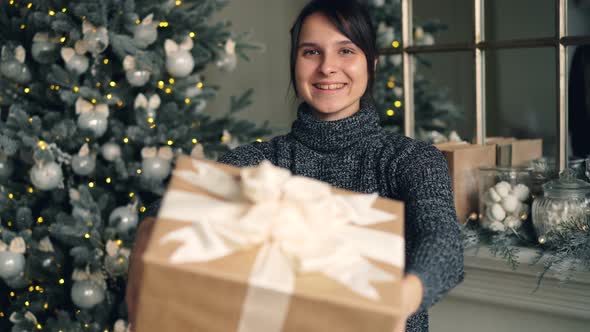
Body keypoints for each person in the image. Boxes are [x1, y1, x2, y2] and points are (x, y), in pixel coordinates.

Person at [127, 1, 464, 331]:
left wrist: (401, 299)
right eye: (311, 52)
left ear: (371, 63)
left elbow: (443, 240)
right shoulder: (259, 164)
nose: (327, 67)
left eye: (346, 51)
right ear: (294, 65)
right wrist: (154, 233)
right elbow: (173, 211)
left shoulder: (410, 159)